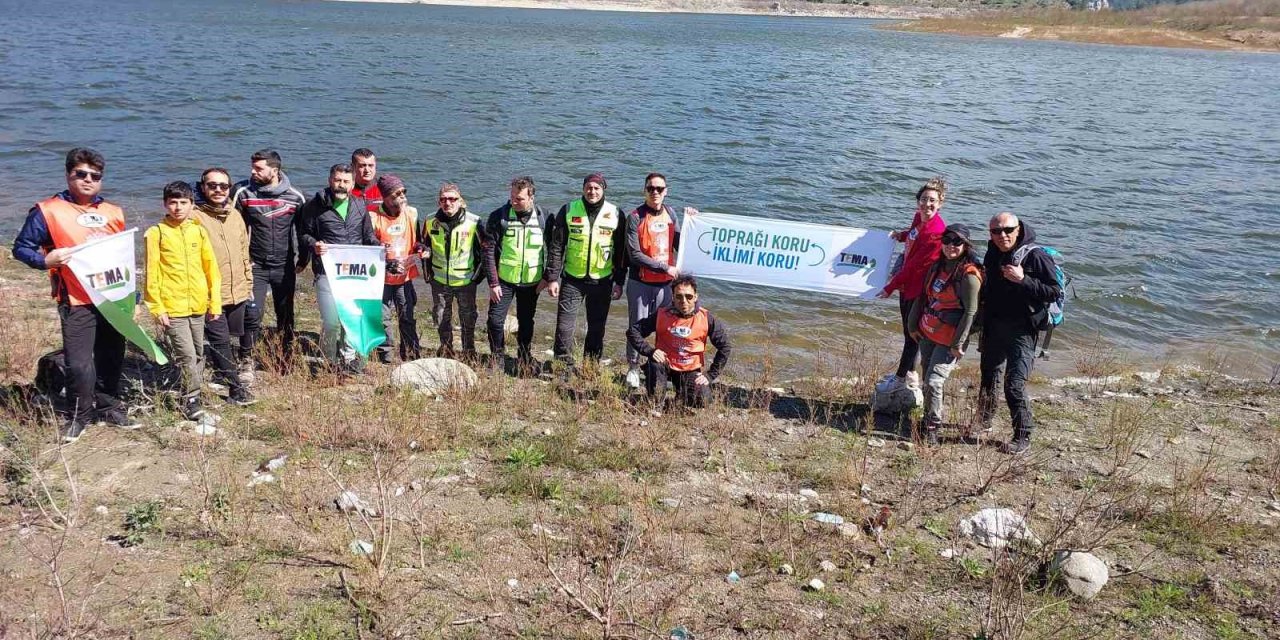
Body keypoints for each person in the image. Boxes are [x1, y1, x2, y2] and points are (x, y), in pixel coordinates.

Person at [12, 147, 141, 442]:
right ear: (68, 175)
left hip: (111, 298)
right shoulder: (48, 210)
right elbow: (21, 248)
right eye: (80, 174)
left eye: (95, 176)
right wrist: (45, 260)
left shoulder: (113, 212)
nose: (87, 180)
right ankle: (79, 416)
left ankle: (109, 407)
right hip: (75, 300)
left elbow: (123, 259)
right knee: (80, 363)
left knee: (111, 356)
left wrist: (133, 299)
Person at [978, 212, 1062, 454]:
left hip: (1023, 330)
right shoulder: (993, 251)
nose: (1002, 235)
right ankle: (984, 421)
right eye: (996, 231)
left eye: (1007, 230)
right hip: (994, 325)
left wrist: (1023, 280)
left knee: (1014, 384)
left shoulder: (1036, 255)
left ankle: (1022, 436)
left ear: (1018, 229)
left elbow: (1053, 291)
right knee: (988, 377)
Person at [144, 182, 222, 421]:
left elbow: (211, 269)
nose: (178, 207)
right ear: (165, 204)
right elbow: (152, 272)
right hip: (173, 307)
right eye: (173, 202)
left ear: (191, 205)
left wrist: (214, 302)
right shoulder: (156, 233)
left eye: (183, 203)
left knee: (198, 352)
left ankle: (193, 392)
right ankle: (191, 399)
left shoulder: (198, 231)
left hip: (198, 304)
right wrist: (157, 308)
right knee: (186, 355)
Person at [231, 149, 307, 371]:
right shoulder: (242, 192)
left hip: (284, 265)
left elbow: (302, 231)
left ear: (274, 170)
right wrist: (239, 261)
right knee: (252, 313)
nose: (252, 172)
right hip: (255, 265)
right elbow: (234, 229)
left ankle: (286, 356)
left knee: (285, 313)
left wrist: (304, 258)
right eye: (252, 167)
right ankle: (247, 358)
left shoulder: (296, 196)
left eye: (258, 168)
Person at [297, 163, 378, 372]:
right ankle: (328, 360)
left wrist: (380, 250)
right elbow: (304, 234)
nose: (341, 185)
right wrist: (314, 244)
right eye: (337, 180)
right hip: (327, 272)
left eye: (346, 181)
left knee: (351, 318)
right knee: (331, 322)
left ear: (352, 184)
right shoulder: (313, 206)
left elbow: (368, 236)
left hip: (355, 272)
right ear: (330, 180)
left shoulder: (360, 205)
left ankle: (349, 361)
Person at [907, 224, 982, 446]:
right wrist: (913, 325)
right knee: (927, 378)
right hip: (928, 332)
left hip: (950, 338)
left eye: (957, 242)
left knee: (934, 381)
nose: (951, 245)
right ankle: (927, 418)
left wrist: (958, 343)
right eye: (947, 240)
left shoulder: (969, 275)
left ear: (965, 245)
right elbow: (923, 297)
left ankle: (932, 427)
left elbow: (971, 311)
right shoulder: (937, 266)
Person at [623, 172, 699, 388]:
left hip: (665, 286)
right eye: (650, 188)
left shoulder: (671, 214)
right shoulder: (635, 217)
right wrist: (665, 267)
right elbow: (634, 254)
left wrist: (693, 221)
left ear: (666, 191)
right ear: (644, 190)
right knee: (636, 326)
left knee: (666, 329)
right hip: (640, 283)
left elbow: (680, 245)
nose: (655, 192)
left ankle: (659, 369)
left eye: (659, 189)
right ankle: (633, 368)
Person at [545, 173, 627, 368]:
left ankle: (590, 365)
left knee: (597, 327)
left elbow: (622, 253)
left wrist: (619, 282)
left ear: (603, 190)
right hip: (572, 280)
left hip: (602, 281)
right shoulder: (568, 209)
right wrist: (552, 277)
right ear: (583, 189)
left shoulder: (616, 213)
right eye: (589, 188)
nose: (592, 192)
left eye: (597, 188)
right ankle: (563, 365)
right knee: (564, 327)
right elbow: (557, 247)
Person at [877, 177, 947, 394]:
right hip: (907, 286)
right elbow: (914, 235)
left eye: (932, 200)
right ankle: (911, 374)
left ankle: (899, 381)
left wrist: (890, 286)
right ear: (918, 201)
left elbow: (914, 267)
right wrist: (901, 236)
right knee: (910, 332)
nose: (927, 204)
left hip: (917, 289)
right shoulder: (920, 220)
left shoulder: (936, 231)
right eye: (924, 199)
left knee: (912, 334)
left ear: (940, 203)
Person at [192, 168, 256, 405]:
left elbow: (243, 251)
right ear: (202, 187)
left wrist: (248, 282)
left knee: (233, 333)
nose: (218, 190)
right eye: (212, 185)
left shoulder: (235, 215)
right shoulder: (193, 217)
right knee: (219, 338)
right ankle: (236, 389)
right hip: (209, 293)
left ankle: (220, 371)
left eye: (223, 186)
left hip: (237, 288)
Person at [626, 275, 731, 408]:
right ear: (673, 297)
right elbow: (633, 332)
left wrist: (710, 375)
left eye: (689, 296)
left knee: (703, 401)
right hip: (663, 364)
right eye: (679, 296)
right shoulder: (662, 314)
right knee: (655, 379)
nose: (684, 301)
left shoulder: (706, 318)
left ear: (696, 297)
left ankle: (680, 394)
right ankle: (657, 398)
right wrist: (650, 351)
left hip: (689, 369)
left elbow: (725, 346)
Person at [483, 176, 552, 373]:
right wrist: (493, 282)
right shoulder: (499, 216)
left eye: (519, 198)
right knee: (495, 320)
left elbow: (555, 249)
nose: (514, 201)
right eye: (512, 197)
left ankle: (524, 356)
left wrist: (548, 277)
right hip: (504, 280)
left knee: (526, 321)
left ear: (531, 197)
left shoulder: (544, 217)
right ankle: (497, 357)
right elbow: (488, 251)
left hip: (532, 282)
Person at [420, 182, 485, 360]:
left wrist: (476, 278)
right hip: (439, 280)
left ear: (460, 201)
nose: (447, 203)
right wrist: (427, 275)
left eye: (452, 199)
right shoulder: (429, 221)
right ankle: (446, 348)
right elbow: (423, 247)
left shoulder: (474, 222)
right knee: (441, 317)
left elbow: (485, 252)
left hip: (465, 281)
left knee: (468, 318)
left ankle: (469, 351)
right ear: (438, 202)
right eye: (443, 199)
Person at [369, 174, 422, 363]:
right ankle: (386, 356)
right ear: (385, 197)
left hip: (405, 276)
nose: (402, 197)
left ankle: (410, 354)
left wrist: (422, 249)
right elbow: (368, 247)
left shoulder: (412, 213)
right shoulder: (374, 217)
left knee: (407, 315)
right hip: (381, 278)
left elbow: (418, 241)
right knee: (383, 318)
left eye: (403, 192)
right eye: (396, 194)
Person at [350, 148, 383, 213]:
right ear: (352, 167)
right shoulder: (345, 189)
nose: (367, 170)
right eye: (362, 166)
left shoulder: (384, 187)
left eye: (370, 165)